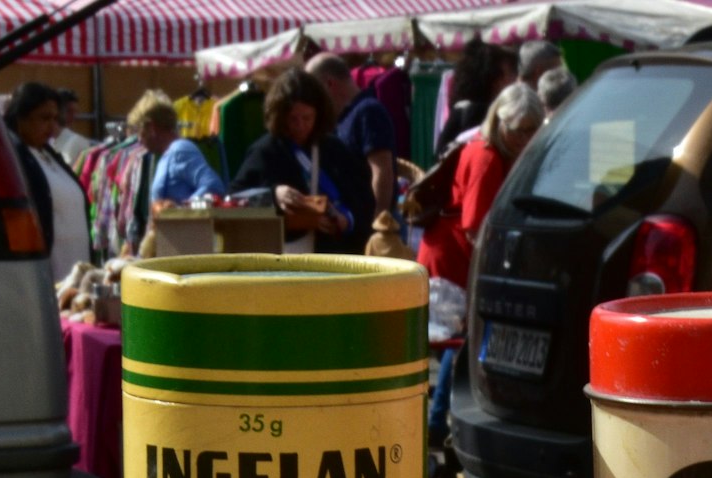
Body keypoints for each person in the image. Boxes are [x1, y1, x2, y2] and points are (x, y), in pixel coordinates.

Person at [419, 83, 545, 443]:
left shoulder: (493, 150)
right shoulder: (487, 156)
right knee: (460, 342)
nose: (526, 137)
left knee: (460, 341)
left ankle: (438, 419)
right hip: (454, 259)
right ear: (500, 122)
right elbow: (476, 225)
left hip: (458, 254)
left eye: (533, 129)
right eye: (520, 129)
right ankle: (438, 419)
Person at [228, 67, 374, 254]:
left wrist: (347, 220)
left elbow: (363, 199)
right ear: (281, 117)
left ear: (318, 114)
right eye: (293, 119)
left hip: (333, 256)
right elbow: (234, 198)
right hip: (283, 256)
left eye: (307, 118)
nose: (300, 126)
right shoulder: (266, 151)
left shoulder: (335, 149)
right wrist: (274, 195)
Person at [4, 81, 90, 282]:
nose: (53, 126)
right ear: (20, 118)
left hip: (75, 270)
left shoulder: (49, 155)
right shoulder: (13, 159)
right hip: (47, 274)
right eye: (44, 118)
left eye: (54, 118)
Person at [308, 52, 397, 221]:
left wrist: (377, 221)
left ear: (329, 84)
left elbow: (382, 171)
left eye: (314, 91)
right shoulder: (342, 117)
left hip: (372, 223)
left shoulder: (368, 111)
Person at [140, 90, 227, 205]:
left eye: (140, 131)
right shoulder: (166, 155)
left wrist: (182, 210)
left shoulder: (180, 150)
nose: (139, 139)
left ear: (152, 128)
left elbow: (213, 185)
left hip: (183, 222)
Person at [437, 41, 517, 160]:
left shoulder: (461, 110)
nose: (514, 80)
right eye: (509, 74)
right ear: (494, 80)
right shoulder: (480, 116)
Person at [50, 88, 93, 166]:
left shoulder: (78, 142)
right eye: (69, 111)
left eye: (75, 112)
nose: (73, 116)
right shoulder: (44, 140)